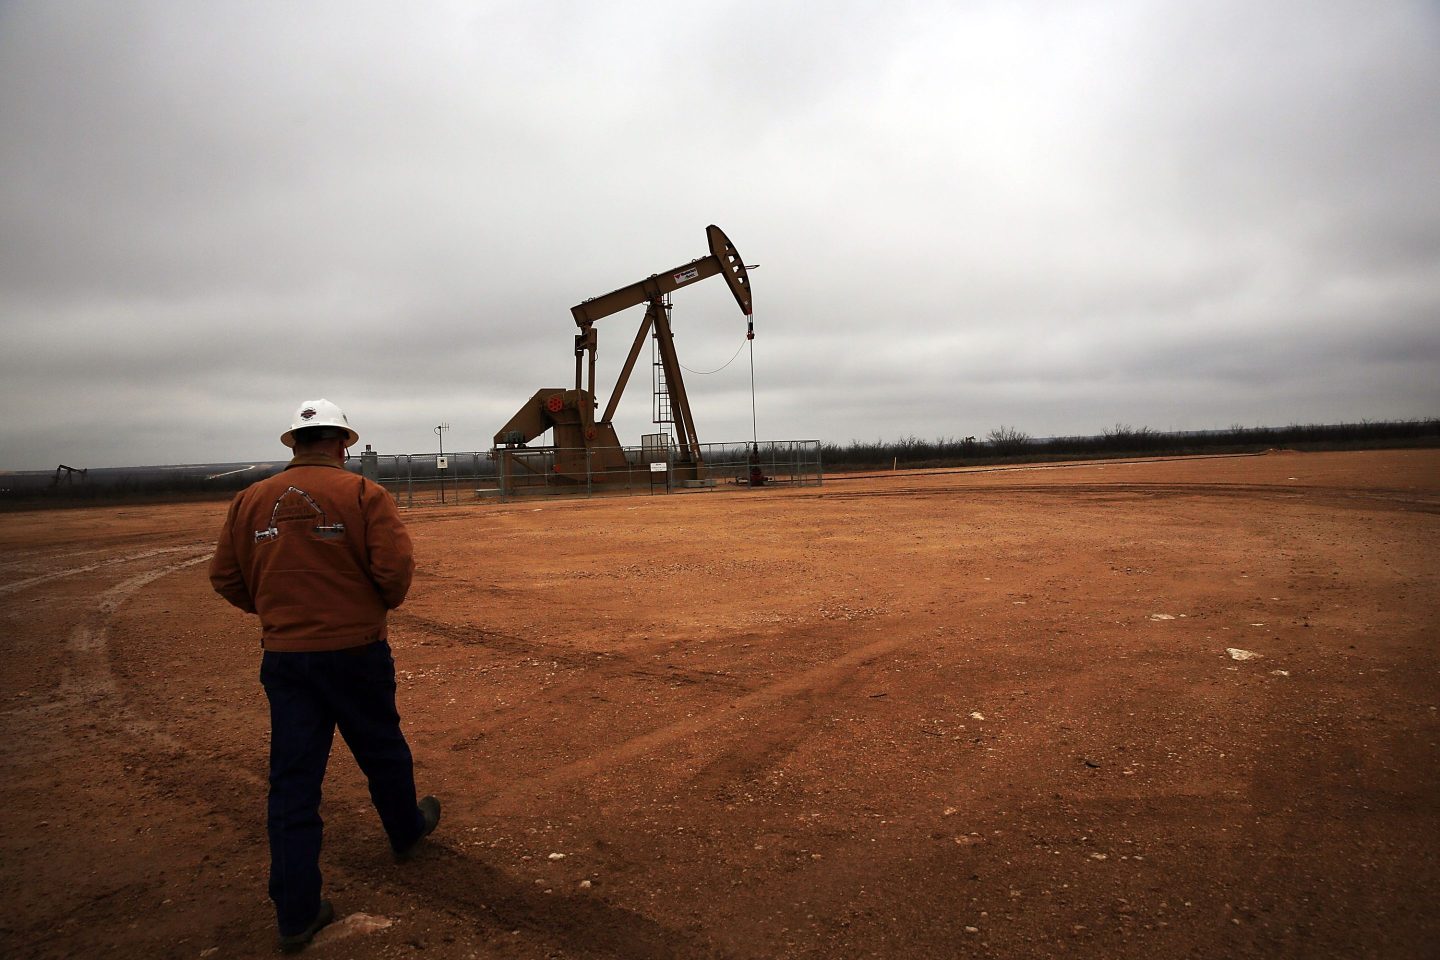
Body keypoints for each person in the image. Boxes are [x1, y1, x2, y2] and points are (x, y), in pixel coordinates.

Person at [209, 399, 440, 953]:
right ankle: (406, 833)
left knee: (293, 779)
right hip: (357, 649)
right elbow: (394, 572)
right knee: (381, 745)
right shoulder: (365, 495)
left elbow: (225, 575)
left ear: (294, 443)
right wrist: (366, 609)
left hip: (286, 656)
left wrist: (278, 612)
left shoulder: (249, 501)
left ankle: (296, 912)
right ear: (343, 443)